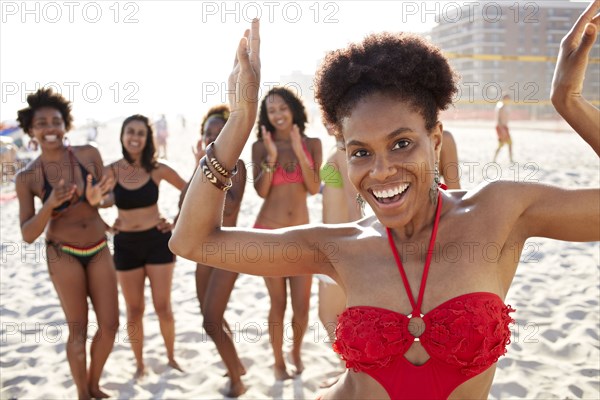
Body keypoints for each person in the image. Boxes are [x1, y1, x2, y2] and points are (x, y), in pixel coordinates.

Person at [171, 5, 599, 398]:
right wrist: (240, 121)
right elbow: (192, 242)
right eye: (360, 152)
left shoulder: (499, 213)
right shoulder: (338, 246)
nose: (380, 171)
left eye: (401, 143)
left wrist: (571, 103)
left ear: (435, 139)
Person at [15, 88, 118, 400]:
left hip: (99, 247)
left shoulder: (89, 154)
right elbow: (28, 233)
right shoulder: (27, 177)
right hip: (63, 254)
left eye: (56, 121)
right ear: (31, 131)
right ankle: (82, 393)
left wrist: (98, 200)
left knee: (110, 326)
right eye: (42, 123)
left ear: (66, 125)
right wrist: (49, 204)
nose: (50, 128)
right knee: (78, 330)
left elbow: (110, 197)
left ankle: (94, 383)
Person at [250, 86, 322, 379]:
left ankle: (295, 351)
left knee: (302, 308)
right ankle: (278, 361)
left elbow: (315, 187)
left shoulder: (312, 142)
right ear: (266, 116)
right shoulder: (260, 146)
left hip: (302, 237)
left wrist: (299, 150)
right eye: (271, 110)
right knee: (277, 304)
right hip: (269, 234)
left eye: (282, 108)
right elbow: (260, 191)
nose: (277, 115)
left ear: (293, 109)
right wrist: (269, 157)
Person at [106, 114, 187, 379]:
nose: (135, 137)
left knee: (163, 307)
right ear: (122, 135)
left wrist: (175, 222)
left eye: (141, 133)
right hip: (125, 245)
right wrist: (105, 225)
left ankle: (172, 357)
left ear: (147, 138)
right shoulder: (112, 170)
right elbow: (90, 199)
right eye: (130, 131)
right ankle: (140, 363)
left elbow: (189, 190)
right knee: (134, 310)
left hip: (157, 242)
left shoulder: (157, 168)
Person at [178, 105, 248, 397]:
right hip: (203, 250)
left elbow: (229, 205)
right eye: (208, 132)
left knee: (210, 319)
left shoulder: (238, 166)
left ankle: (237, 380)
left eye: (219, 132)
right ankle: (237, 365)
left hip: (229, 250)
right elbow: (184, 205)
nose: (213, 137)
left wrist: (209, 168)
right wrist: (198, 168)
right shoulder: (203, 166)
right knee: (211, 317)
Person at [317, 122, 361, 388]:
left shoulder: (343, 156)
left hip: (338, 248)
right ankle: (349, 370)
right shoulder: (342, 152)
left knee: (329, 316)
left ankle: (352, 372)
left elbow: (355, 203)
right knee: (342, 317)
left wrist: (355, 246)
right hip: (335, 244)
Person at [493, 94, 514, 163]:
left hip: (504, 127)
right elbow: (498, 119)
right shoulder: (501, 106)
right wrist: (502, 129)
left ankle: (510, 159)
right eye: (507, 98)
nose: (508, 100)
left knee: (509, 143)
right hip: (501, 127)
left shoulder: (505, 106)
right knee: (501, 144)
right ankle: (494, 159)